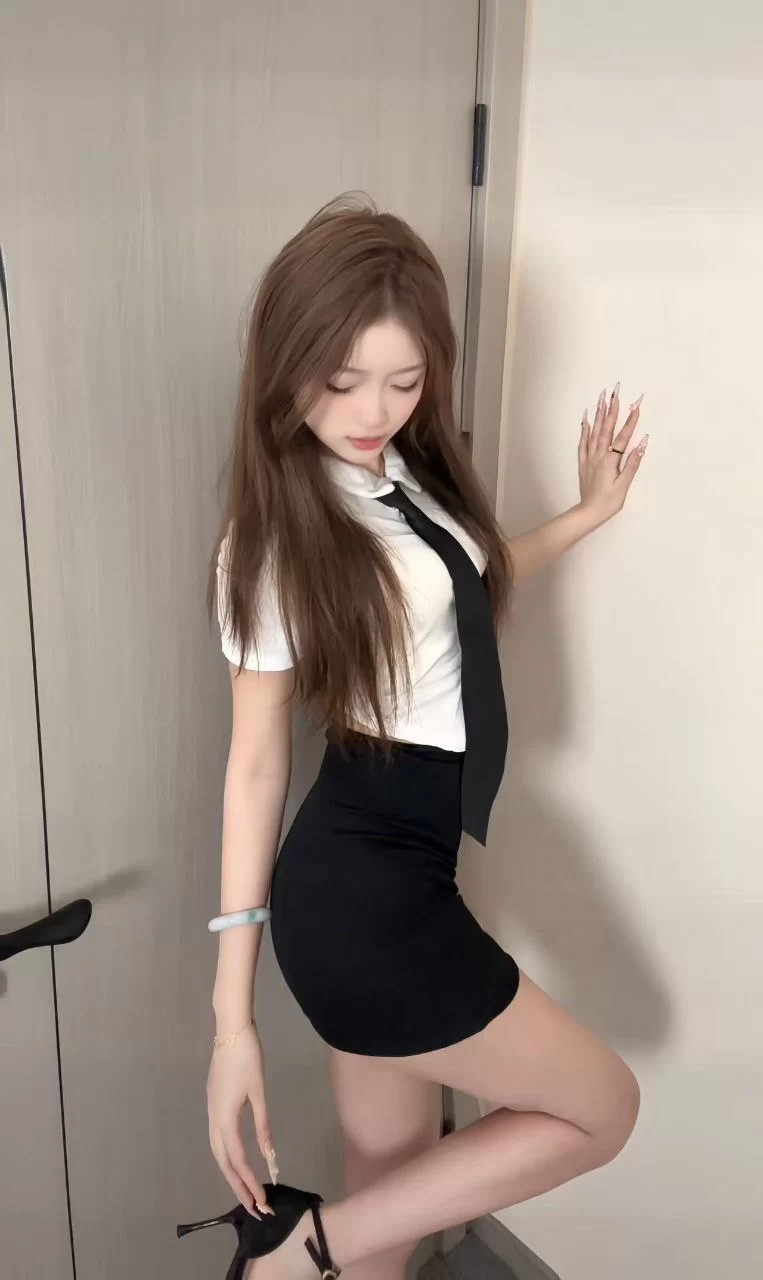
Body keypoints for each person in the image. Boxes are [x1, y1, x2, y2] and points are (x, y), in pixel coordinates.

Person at [176, 197, 648, 1280]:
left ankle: (328, 1250)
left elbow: (461, 589)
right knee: (603, 1107)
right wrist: (231, 1023)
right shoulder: (271, 539)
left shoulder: (403, 477)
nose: (373, 409)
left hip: (402, 874)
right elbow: (255, 764)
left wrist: (586, 514)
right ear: (287, 363)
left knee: (392, 1215)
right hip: (362, 899)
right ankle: (299, 1250)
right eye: (343, 380)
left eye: (404, 380)